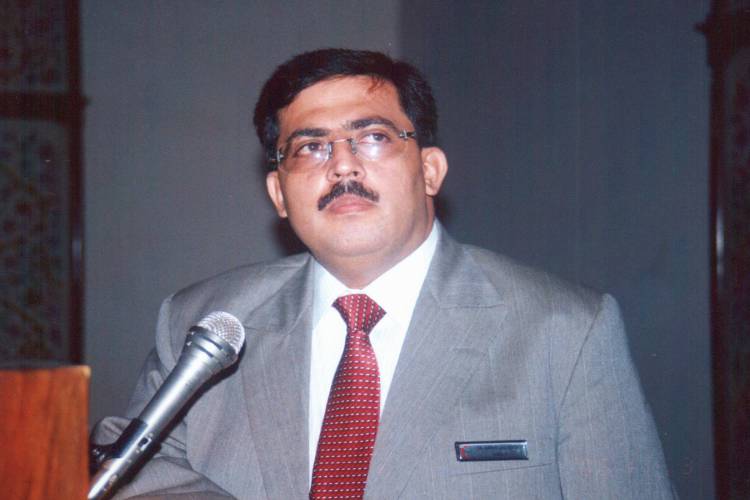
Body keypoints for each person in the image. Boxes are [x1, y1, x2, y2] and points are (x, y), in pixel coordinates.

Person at [93, 48, 673, 499]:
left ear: (430, 170)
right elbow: (131, 464)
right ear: (279, 193)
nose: (342, 164)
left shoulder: (566, 332)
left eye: (373, 137)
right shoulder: (204, 322)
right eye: (310, 147)